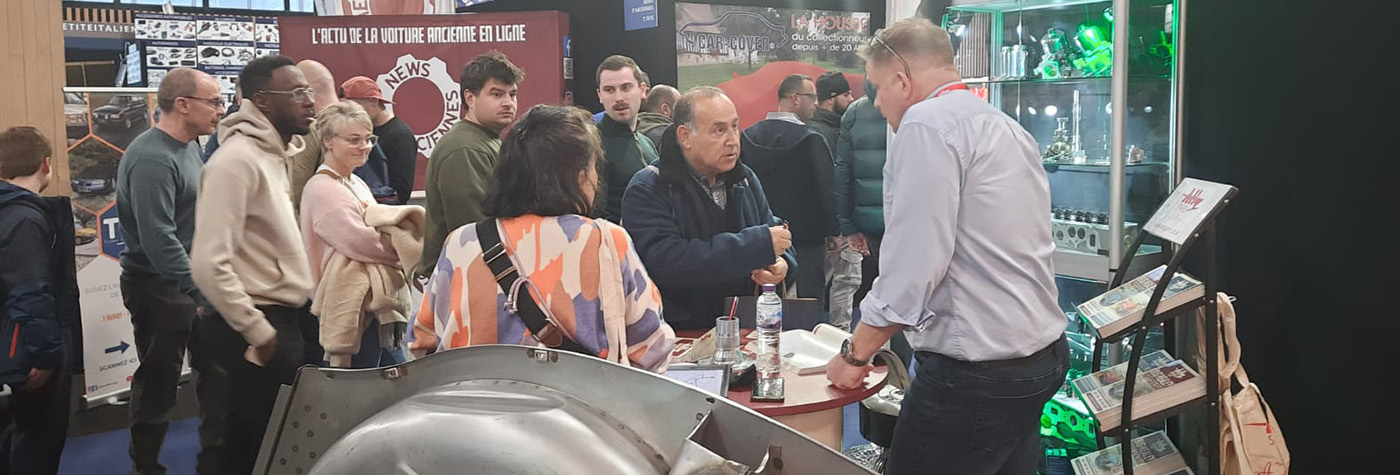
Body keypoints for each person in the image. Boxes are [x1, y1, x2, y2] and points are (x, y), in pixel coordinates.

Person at [824, 19, 1069, 475]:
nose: (876, 103)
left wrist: (855, 355)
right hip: (1039, 358)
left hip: (977, 374)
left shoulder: (926, 124)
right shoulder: (1001, 124)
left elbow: (914, 266)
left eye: (877, 88)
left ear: (902, 78)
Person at [413, 105, 673, 372]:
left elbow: (422, 341)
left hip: (471, 407)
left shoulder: (460, 243)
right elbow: (651, 349)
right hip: (578, 408)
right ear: (580, 177)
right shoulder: (605, 241)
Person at [191, 55, 317, 475]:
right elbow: (208, 262)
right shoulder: (236, 161)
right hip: (258, 323)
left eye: (309, 91)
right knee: (244, 448)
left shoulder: (275, 155)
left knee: (272, 443)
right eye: (297, 93)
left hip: (285, 318)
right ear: (262, 101)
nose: (309, 101)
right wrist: (258, 332)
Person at [115, 68, 228, 475]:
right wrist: (198, 292)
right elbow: (158, 238)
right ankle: (146, 468)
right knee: (160, 381)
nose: (220, 109)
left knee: (216, 371)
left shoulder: (190, 147)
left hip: (189, 281)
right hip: (157, 285)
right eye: (213, 101)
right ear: (182, 104)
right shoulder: (150, 157)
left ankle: (216, 459)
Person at [621, 87, 796, 331]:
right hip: (679, 337)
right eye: (719, 130)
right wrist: (755, 246)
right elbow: (666, 263)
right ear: (685, 136)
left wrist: (782, 266)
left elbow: (774, 235)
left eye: (734, 126)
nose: (733, 140)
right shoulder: (649, 187)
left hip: (745, 333)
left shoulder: (745, 180)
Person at [300, 101, 418, 369]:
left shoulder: (356, 182)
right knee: (364, 389)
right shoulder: (323, 188)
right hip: (353, 307)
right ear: (328, 141)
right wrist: (406, 246)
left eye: (368, 139)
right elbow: (364, 243)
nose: (364, 146)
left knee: (394, 380)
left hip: (372, 309)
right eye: (354, 140)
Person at [0, 127, 78, 475]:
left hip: (15, 341)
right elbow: (30, 292)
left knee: (21, 430)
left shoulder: (14, 213)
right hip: (31, 347)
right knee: (39, 439)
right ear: (45, 165)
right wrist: (47, 355)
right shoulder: (25, 220)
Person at [417, 51, 524, 278]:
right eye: (496, 94)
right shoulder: (464, 149)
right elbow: (475, 233)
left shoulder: (485, 139)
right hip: (465, 277)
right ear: (470, 98)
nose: (508, 103)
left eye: (512, 94)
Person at [741, 74, 835, 305]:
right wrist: (833, 230)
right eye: (812, 97)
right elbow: (826, 191)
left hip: (760, 238)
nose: (816, 102)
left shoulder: (746, 136)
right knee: (807, 308)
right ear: (795, 98)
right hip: (806, 240)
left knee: (761, 309)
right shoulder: (812, 140)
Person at [830, 79, 887, 332]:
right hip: (914, 221)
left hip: (871, 222)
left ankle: (881, 359)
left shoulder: (856, 111)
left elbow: (843, 173)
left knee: (881, 293)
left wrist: (849, 226)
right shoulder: (921, 105)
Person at [594, 55, 659, 221]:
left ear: (642, 90)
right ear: (600, 95)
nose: (618, 98)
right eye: (609, 90)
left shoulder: (648, 143)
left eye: (625, 88)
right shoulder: (590, 145)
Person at [340, 76, 416, 205]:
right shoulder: (364, 130)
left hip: (387, 214)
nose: (350, 113)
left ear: (374, 101)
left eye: (353, 106)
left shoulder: (401, 136)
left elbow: (402, 191)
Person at [810, 70, 853, 153]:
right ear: (830, 99)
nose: (851, 99)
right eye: (846, 95)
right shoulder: (818, 133)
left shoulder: (841, 125)